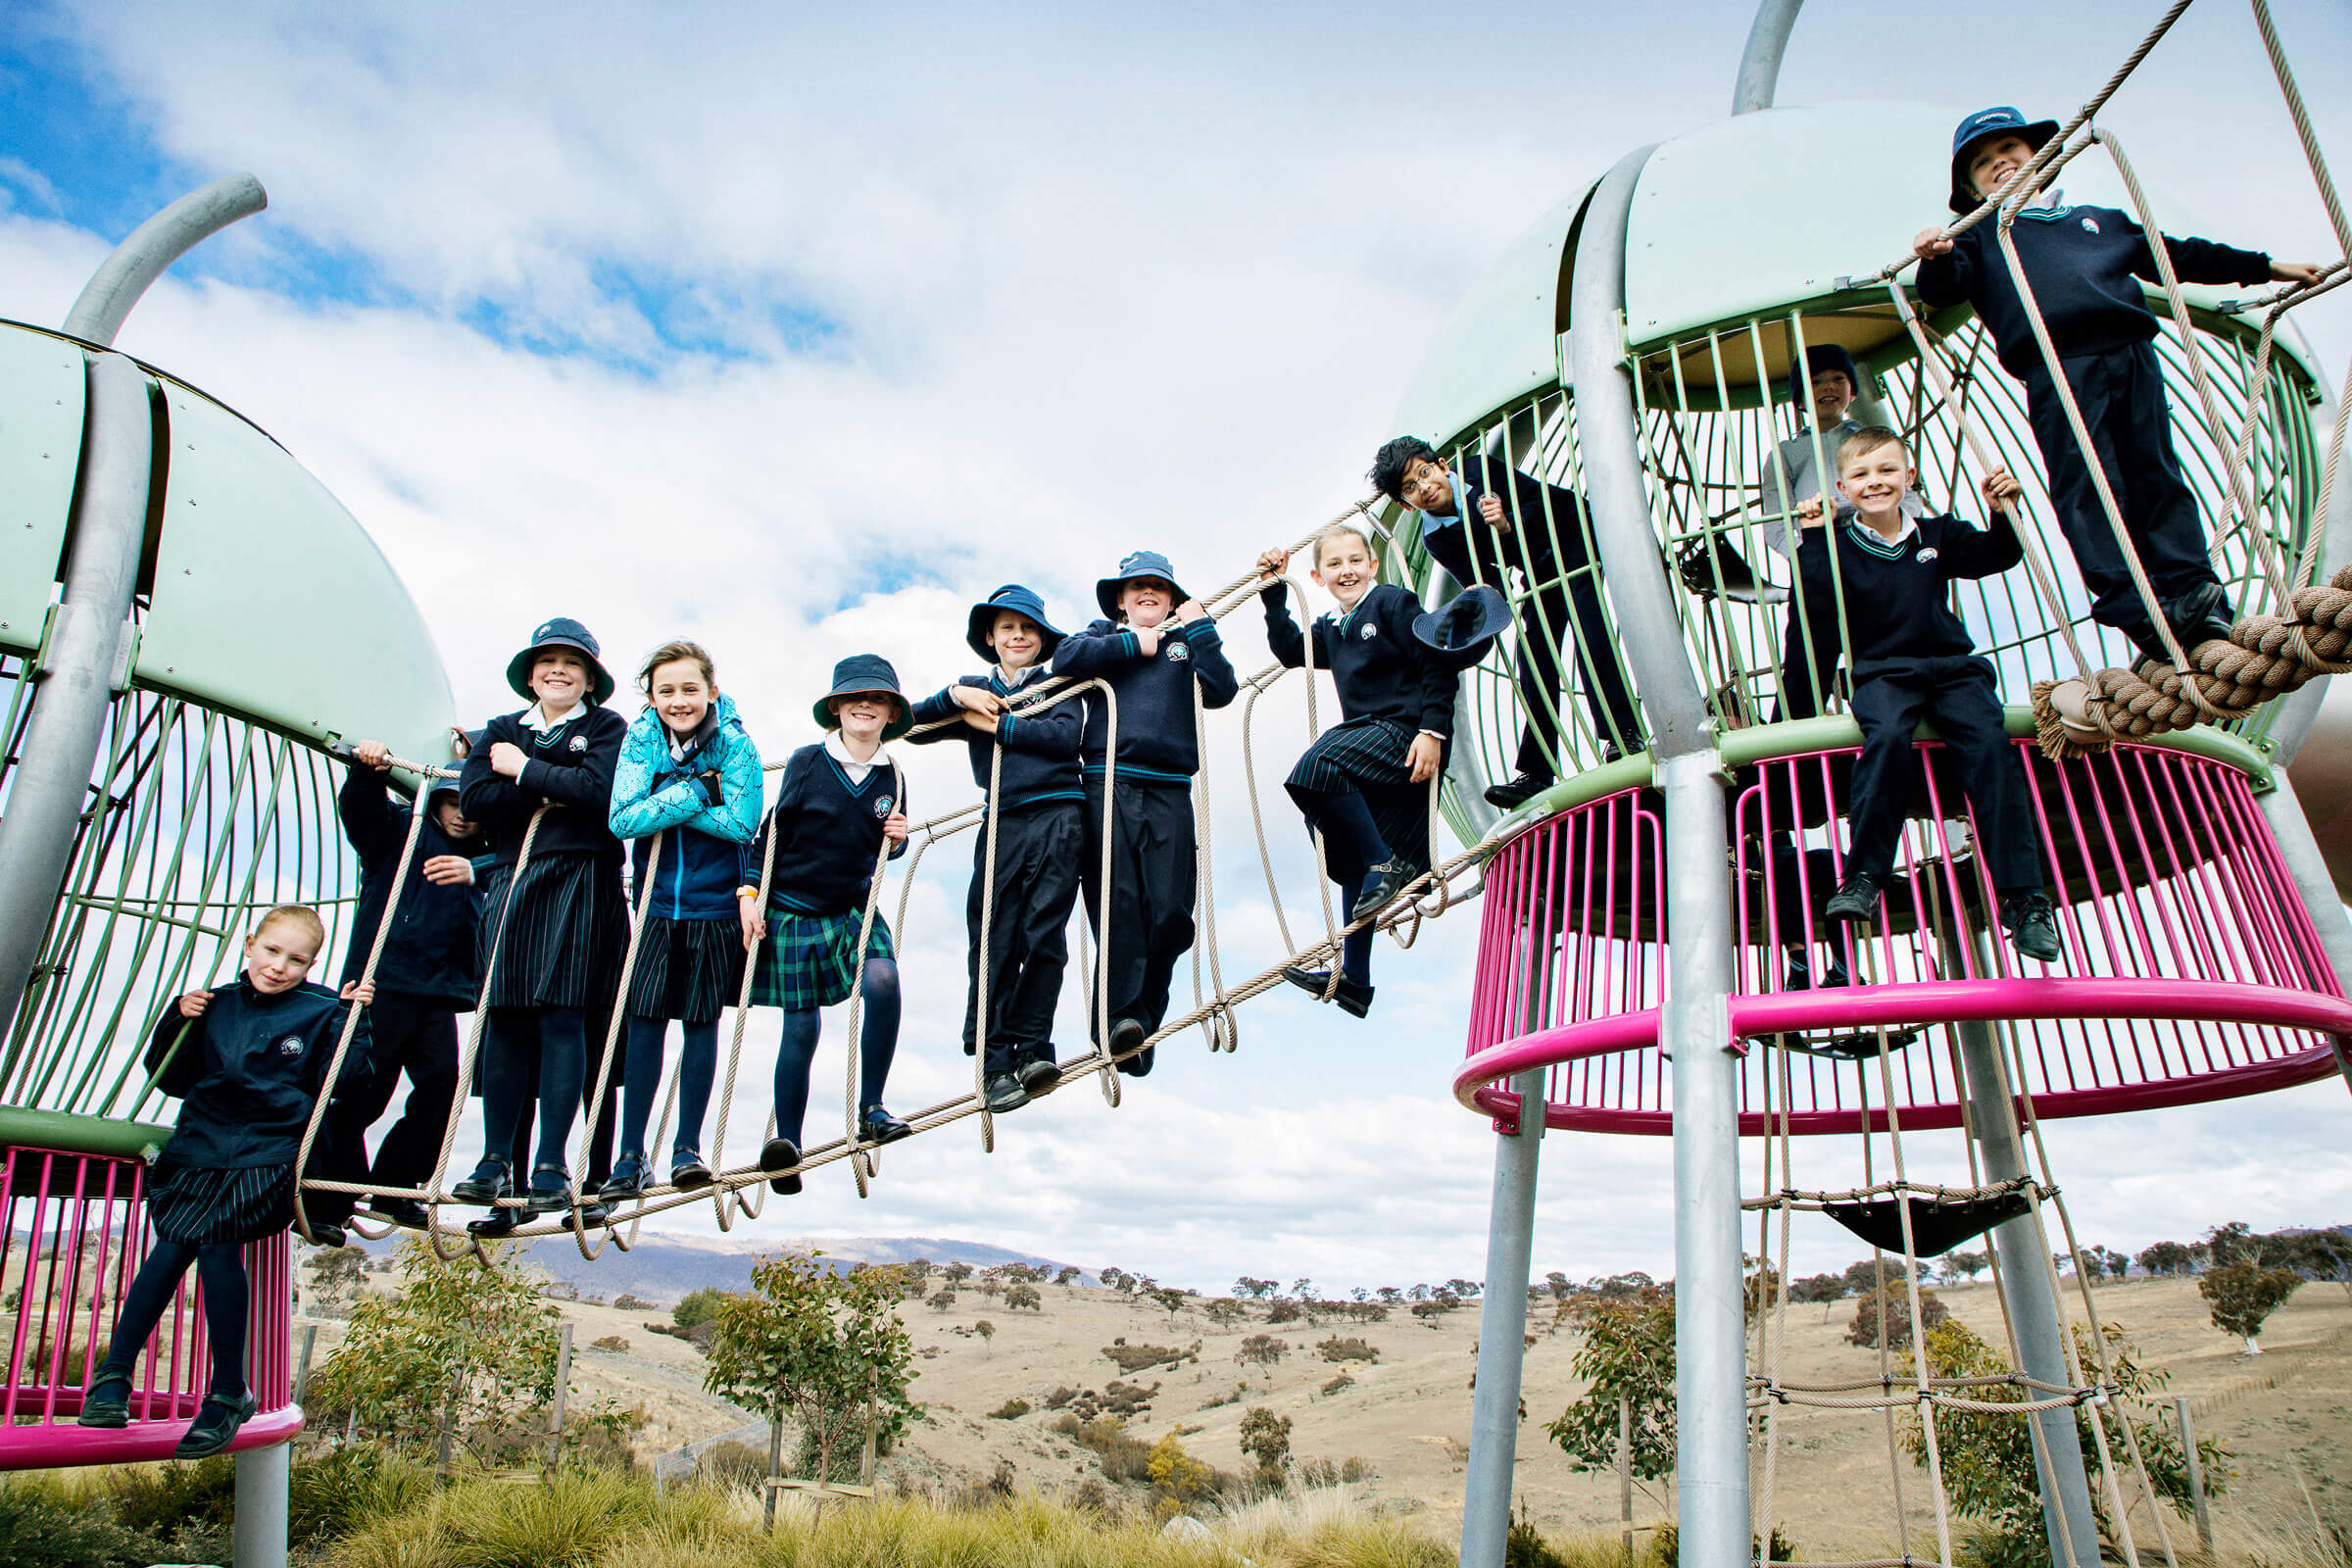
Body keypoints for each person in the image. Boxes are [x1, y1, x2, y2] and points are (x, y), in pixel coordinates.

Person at [1912, 105, 2325, 666]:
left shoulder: (2099, 219)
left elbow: (2177, 254)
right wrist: (1934, 256)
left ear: (2039, 157)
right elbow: (1944, 288)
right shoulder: (1980, 235)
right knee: (2092, 487)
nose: (1999, 164)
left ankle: (2193, 592)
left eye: (2009, 150)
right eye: (1982, 163)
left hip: (2131, 354)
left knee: (2155, 471)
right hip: (2060, 367)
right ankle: (2135, 607)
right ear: (1969, 185)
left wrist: (2267, 266)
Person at [77, 906, 373, 1458]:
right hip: (202, 1144)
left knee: (216, 1243)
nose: (280, 966)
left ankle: (225, 1390)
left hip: (269, 1150)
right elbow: (172, 1078)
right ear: (249, 944)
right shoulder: (215, 1004)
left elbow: (350, 1085)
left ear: (312, 964)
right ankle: (114, 1377)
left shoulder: (322, 1009)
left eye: (296, 959)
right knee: (170, 1248)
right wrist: (178, 1020)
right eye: (271, 951)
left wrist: (355, 1023)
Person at [1794, 427, 2061, 963]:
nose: (1877, 483)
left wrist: (2003, 512)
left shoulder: (1936, 534)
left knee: (1989, 746)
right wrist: (1816, 535)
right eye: (1863, 476)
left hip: (1951, 668)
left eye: (1888, 471)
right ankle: (1864, 876)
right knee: (1887, 736)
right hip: (1882, 671)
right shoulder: (1841, 545)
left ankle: (2023, 896)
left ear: (1909, 478)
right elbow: (1818, 598)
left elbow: (1995, 556)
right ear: (1844, 488)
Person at [1254, 526, 1477, 1016]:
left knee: (1318, 763)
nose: (1347, 570)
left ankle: (1388, 862)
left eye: (1356, 560)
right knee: (1351, 853)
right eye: (1334, 565)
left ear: (1373, 565)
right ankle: (1355, 981)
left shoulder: (1394, 604)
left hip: (1406, 734)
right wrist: (1273, 592)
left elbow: (1435, 662)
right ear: (1318, 576)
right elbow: (1293, 650)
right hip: (1373, 748)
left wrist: (1434, 731)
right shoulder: (1335, 627)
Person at [450, 618, 628, 1222]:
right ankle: (496, 1160)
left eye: (572, 664)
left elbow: (600, 792)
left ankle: (552, 1162)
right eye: (547, 662)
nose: (559, 671)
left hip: (582, 875)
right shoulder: (503, 729)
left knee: (564, 1012)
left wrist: (521, 770)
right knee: (505, 1014)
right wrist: (553, 787)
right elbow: (475, 801)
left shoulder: (606, 728)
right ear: (531, 675)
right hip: (512, 877)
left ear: (589, 679)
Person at [1370, 437, 1643, 808]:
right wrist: (1472, 609)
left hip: (1572, 531)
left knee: (1587, 627)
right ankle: (1536, 770)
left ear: (1443, 465)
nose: (1424, 487)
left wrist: (1505, 523)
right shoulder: (1436, 538)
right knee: (1534, 654)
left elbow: (1538, 500)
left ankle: (1623, 734)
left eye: (1425, 472)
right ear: (1405, 503)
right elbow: (1483, 579)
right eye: (1410, 487)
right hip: (1536, 565)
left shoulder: (1480, 470)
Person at [1050, 551, 1240, 1077]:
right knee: (1121, 907)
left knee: (1174, 917)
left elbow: (1222, 690)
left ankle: (1141, 1022)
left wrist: (1201, 628)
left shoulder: (1186, 638)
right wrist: (1133, 642)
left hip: (1171, 788)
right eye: (1137, 587)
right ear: (1121, 599)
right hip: (1108, 782)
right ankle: (1118, 1027)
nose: (1148, 594)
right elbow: (1065, 659)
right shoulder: (1101, 637)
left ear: (1173, 597)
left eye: (1158, 586)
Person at [908, 586, 1086, 1114]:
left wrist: (1005, 726)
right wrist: (956, 698)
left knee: (1044, 936)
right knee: (992, 937)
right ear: (990, 638)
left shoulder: (1060, 682)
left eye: (1028, 628)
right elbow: (910, 725)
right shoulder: (974, 691)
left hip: (1059, 814)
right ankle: (993, 1060)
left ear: (1041, 638)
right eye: (1007, 628)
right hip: (1004, 819)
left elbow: (1063, 736)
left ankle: (1032, 1047)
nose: (1018, 636)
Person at [739, 656, 913, 1194]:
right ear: (836, 707)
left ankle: (872, 1108)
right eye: (853, 697)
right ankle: (787, 1144)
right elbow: (771, 831)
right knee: (801, 1025)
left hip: (853, 906)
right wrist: (750, 893)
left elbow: (887, 841)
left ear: (889, 713)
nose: (865, 705)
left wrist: (900, 838)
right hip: (793, 906)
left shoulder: (895, 774)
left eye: (878, 698)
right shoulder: (808, 761)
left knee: (883, 982)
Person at [602, 641, 762, 1200]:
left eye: (690, 689)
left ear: (711, 692)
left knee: (699, 1027)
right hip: (651, 908)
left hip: (713, 906)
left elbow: (743, 823)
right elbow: (623, 819)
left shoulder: (736, 744)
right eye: (666, 690)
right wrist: (698, 790)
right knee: (644, 1026)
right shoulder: (640, 741)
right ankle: (630, 1156)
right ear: (651, 696)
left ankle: (686, 1149)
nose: (679, 700)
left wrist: (666, 802)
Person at [313, 741, 482, 1231]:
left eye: (473, 810)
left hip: (435, 993)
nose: (462, 818)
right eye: (454, 804)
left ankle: (395, 1185)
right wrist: (366, 772)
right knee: (363, 1091)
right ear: (437, 801)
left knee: (442, 1086)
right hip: (380, 984)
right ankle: (330, 1199)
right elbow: (362, 813)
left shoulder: (482, 860)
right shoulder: (401, 835)